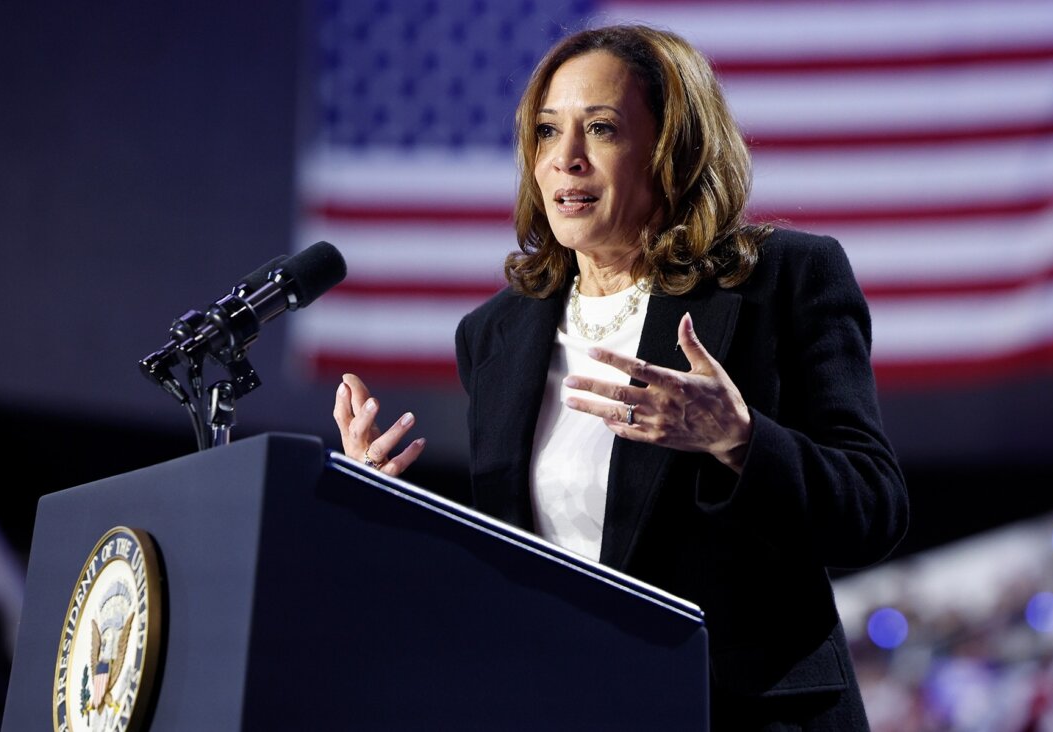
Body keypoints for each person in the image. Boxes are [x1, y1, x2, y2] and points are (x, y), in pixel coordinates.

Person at [333, 23, 909, 731]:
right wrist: (385, 506)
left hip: (739, 713)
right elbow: (515, 564)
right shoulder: (495, 336)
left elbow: (872, 512)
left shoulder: (783, 282)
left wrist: (739, 440)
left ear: (673, 150)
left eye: (600, 128)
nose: (565, 160)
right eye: (547, 132)